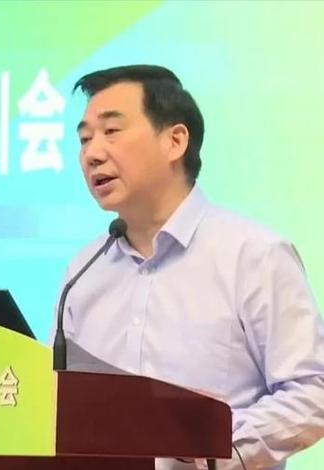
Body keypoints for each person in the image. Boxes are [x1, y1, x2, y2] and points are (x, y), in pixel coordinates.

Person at [54, 64, 324, 469]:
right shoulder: (84, 273)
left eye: (111, 131)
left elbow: (313, 391)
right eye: (84, 139)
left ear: (175, 141)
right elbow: (60, 402)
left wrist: (216, 440)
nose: (92, 154)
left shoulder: (254, 256)